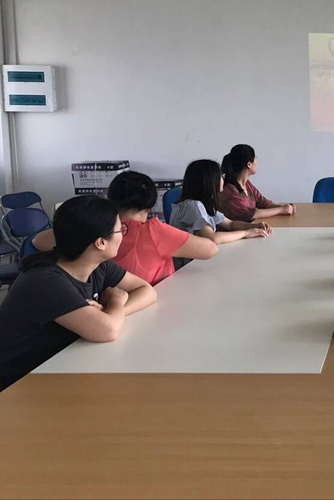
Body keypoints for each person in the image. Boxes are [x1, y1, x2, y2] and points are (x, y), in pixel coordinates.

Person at [0, 196, 157, 391]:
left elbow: (146, 291)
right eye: (121, 229)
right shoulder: (45, 280)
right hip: (15, 386)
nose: (123, 234)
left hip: (54, 368)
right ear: (101, 242)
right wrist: (115, 302)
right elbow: (107, 331)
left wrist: (110, 313)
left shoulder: (98, 265)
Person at [33, 172, 219, 285]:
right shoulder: (154, 230)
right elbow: (210, 249)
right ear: (149, 207)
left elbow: (38, 240)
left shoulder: (93, 226)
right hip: (155, 300)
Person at [170, 159, 272, 245]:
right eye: (221, 177)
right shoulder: (192, 206)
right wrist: (246, 233)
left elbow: (230, 224)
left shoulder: (205, 203)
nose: (223, 180)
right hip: (189, 261)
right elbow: (212, 238)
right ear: (210, 182)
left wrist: (254, 226)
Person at [219, 144, 296, 222]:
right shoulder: (230, 192)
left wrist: (284, 208)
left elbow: (262, 202)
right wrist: (281, 210)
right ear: (249, 164)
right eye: (255, 159)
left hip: (250, 227)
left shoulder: (247, 184)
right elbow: (251, 214)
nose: (257, 162)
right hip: (238, 229)